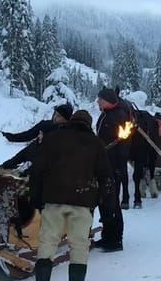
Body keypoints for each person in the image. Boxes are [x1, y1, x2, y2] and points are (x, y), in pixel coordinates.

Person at [30, 110, 112, 281]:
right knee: (79, 246)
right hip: (83, 202)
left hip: (53, 199)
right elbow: (106, 177)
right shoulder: (96, 143)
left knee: (47, 244)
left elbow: (37, 170)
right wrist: (103, 201)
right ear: (89, 125)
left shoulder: (52, 138)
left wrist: (36, 198)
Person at [93, 88, 128, 252]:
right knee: (104, 202)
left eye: (100, 99)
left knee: (112, 202)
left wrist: (119, 168)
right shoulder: (107, 114)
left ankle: (115, 240)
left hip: (112, 166)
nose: (98, 102)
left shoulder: (118, 116)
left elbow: (123, 145)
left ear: (107, 100)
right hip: (103, 163)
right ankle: (107, 236)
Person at [0, 104, 73, 172]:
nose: (55, 117)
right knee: (16, 159)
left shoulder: (68, 132)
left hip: (47, 161)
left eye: (59, 116)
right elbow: (28, 135)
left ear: (66, 120)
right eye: (55, 114)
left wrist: (44, 139)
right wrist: (11, 137)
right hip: (33, 149)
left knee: (29, 172)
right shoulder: (44, 125)